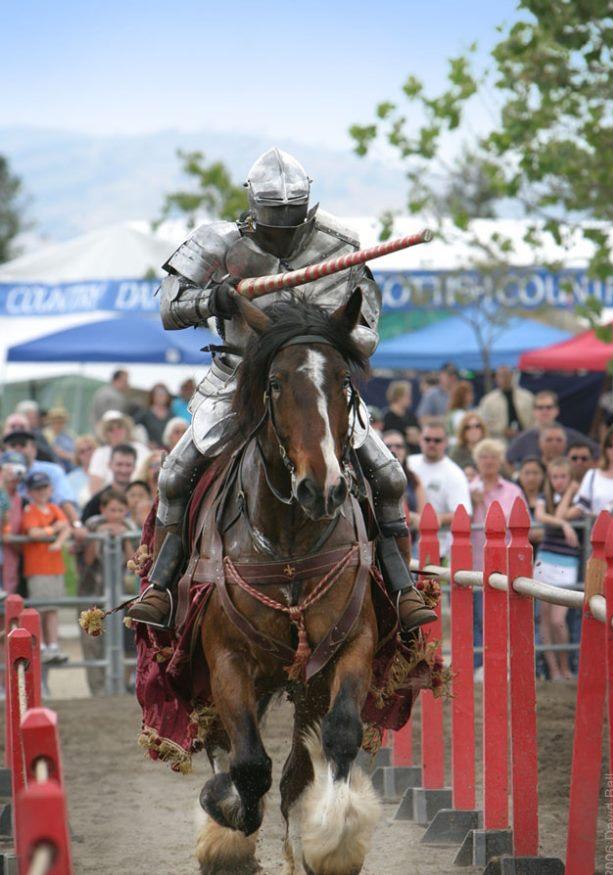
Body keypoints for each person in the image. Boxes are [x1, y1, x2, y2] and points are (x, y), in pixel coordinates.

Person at [128, 146, 434, 631]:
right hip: (238, 380)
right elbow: (170, 308)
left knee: (388, 476)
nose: (284, 227)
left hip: (315, 381)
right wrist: (216, 297)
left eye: (293, 217)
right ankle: (162, 588)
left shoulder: (341, 242)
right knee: (174, 475)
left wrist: (317, 332)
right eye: (276, 218)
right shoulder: (215, 241)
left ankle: (401, 589)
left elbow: (367, 333)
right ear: (254, 207)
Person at [469, 439, 522, 674]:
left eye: (493, 456)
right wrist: (472, 502)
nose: (488, 461)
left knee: (505, 618)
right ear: (477, 461)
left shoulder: (512, 490)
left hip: (507, 563)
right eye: (484, 456)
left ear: (500, 461)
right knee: (479, 619)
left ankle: (505, 664)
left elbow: (521, 522)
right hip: (476, 563)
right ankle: (482, 665)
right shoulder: (468, 488)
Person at [78, 489, 138, 694]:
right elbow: (88, 559)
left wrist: (125, 538)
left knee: (123, 641)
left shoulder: (130, 526)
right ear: (103, 509)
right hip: (93, 590)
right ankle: (98, 690)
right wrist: (99, 536)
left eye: (121, 510)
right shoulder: (92, 524)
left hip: (121, 594)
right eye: (112, 510)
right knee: (93, 642)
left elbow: (134, 563)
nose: (116, 515)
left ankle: (121, 687)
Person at [534, 458, 580, 681]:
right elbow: (542, 516)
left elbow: (561, 515)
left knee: (558, 619)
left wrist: (570, 493)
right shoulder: (545, 497)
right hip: (546, 559)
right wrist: (562, 524)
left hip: (567, 563)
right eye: (555, 477)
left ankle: (565, 665)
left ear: (570, 478)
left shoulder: (577, 498)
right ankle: (553, 669)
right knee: (544, 617)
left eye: (563, 477)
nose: (559, 481)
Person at [20, 472, 72, 664]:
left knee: (52, 609)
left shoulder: (53, 508)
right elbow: (34, 533)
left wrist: (58, 541)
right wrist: (53, 530)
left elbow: (66, 526)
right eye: (37, 488)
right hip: (38, 567)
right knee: (39, 609)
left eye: (44, 487)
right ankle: (39, 645)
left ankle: (53, 645)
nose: (42, 492)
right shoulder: (30, 510)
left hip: (54, 567)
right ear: (30, 492)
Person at [407, 420, 472, 558]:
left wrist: (438, 519)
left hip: (438, 549)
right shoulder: (409, 463)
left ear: (446, 442)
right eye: (427, 439)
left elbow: (464, 513)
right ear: (420, 439)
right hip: (405, 544)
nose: (431, 443)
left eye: (437, 440)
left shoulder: (454, 473)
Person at [2, 431, 83, 534]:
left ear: (34, 449)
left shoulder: (52, 471)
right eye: (13, 445)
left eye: (23, 445)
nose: (18, 449)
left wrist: (77, 525)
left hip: (42, 536)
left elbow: (64, 502)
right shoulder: (4, 485)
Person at [506, 390, 599, 468]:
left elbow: (598, 453)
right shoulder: (524, 438)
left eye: (549, 407)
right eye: (540, 407)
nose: (544, 411)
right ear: (534, 411)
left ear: (556, 410)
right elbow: (507, 459)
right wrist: (517, 476)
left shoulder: (570, 435)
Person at [563, 424, 613, 517]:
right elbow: (578, 509)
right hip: (601, 529)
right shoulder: (592, 475)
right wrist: (560, 520)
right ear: (604, 449)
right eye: (610, 445)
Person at [88, 411, 149, 495]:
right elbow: (95, 485)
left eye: (119, 427)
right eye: (111, 429)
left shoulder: (141, 449)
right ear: (105, 433)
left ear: (126, 429)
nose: (116, 432)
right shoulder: (100, 453)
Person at [382, 430, 426, 535]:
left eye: (399, 446)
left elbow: (422, 519)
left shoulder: (414, 479)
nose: (393, 450)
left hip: (412, 539)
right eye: (388, 446)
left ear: (405, 451)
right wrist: (409, 517)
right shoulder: (372, 479)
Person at [81, 444, 137, 523]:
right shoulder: (98, 499)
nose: (123, 470)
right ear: (110, 465)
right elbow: (84, 526)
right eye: (119, 464)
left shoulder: (141, 496)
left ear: (135, 467)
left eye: (128, 465)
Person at [478, 366, 535, 441]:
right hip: (500, 440)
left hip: (525, 438)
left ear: (512, 376)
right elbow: (483, 422)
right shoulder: (488, 401)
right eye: (501, 376)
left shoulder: (527, 397)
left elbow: (534, 418)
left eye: (507, 375)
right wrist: (501, 430)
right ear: (496, 378)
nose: (505, 379)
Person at [0, 451, 27, 593]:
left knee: (8, 604)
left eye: (18, 470)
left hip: (10, 561)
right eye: (9, 468)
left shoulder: (19, 499)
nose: (14, 475)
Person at [515, 456, 546, 547]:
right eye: (527, 473)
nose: (531, 478)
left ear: (543, 475)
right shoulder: (513, 497)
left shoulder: (549, 498)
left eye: (535, 473)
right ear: (519, 475)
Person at [383, 380, 419, 453]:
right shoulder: (387, 417)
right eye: (407, 395)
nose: (410, 398)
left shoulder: (410, 416)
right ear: (398, 396)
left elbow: (418, 434)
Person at [134, 383, 173, 448]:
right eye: (158, 393)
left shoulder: (172, 416)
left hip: (167, 451)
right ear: (153, 396)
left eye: (163, 394)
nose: (161, 396)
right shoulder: (145, 413)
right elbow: (132, 427)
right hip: (149, 451)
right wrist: (144, 443)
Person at [66, 435, 98, 510]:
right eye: (82, 452)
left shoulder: (108, 472)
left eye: (90, 449)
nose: (87, 453)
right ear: (78, 457)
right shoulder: (70, 479)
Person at [42, 407, 76, 473]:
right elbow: (55, 450)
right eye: (56, 422)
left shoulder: (70, 435)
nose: (59, 425)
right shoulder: (46, 435)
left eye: (61, 422)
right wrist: (70, 456)